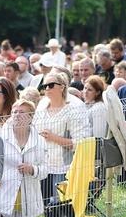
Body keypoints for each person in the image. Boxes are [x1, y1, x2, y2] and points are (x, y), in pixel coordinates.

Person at [34, 72, 89, 203]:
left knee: (60, 207)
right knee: (44, 207)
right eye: (45, 85)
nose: (47, 88)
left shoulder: (72, 109)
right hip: (41, 163)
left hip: (62, 165)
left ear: (62, 87)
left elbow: (80, 142)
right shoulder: (42, 105)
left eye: (51, 85)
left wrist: (54, 138)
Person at [0, 100, 47, 217]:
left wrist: (32, 169)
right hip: (6, 190)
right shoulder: (0, 137)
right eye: (14, 112)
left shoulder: (40, 141)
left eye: (21, 112)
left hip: (29, 194)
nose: (16, 115)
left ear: (31, 117)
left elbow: (45, 169)